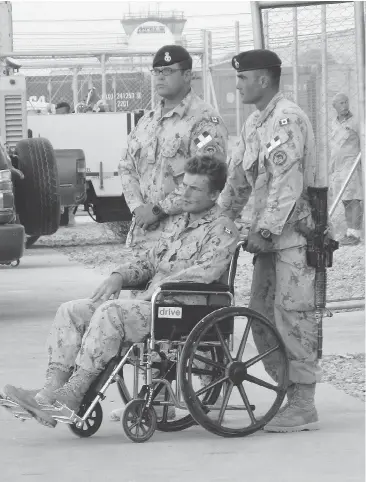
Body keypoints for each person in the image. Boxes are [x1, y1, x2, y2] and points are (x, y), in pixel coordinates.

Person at [2, 155, 239, 429]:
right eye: (183, 185)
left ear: (213, 193)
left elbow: (206, 273)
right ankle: (49, 392)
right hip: (151, 304)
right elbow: (149, 261)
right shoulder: (178, 223)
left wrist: (157, 290)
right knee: (73, 310)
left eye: (194, 189)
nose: (183, 193)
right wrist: (120, 276)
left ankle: (73, 394)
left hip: (181, 309)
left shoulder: (222, 229)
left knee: (110, 312)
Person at [219, 49, 321, 433]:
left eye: (243, 78)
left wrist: (265, 230)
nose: (238, 84)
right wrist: (222, 217)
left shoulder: (287, 118)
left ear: (263, 79)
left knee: (294, 317)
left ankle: (303, 401)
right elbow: (238, 179)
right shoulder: (254, 125)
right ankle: (285, 390)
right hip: (266, 241)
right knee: (261, 316)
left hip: (293, 239)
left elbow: (288, 182)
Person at [119, 44, 229, 254]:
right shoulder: (146, 122)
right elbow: (126, 167)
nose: (160, 77)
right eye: (157, 71)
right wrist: (137, 208)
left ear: (187, 75)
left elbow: (207, 178)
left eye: (168, 71)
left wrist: (158, 209)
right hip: (144, 236)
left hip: (184, 239)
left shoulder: (204, 121)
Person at [329, 93, 363, 246]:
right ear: (334, 106)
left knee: (354, 198)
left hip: (351, 164)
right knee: (345, 199)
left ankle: (356, 233)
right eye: (341, 103)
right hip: (337, 166)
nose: (344, 106)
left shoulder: (356, 121)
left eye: (346, 102)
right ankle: (349, 231)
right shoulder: (333, 123)